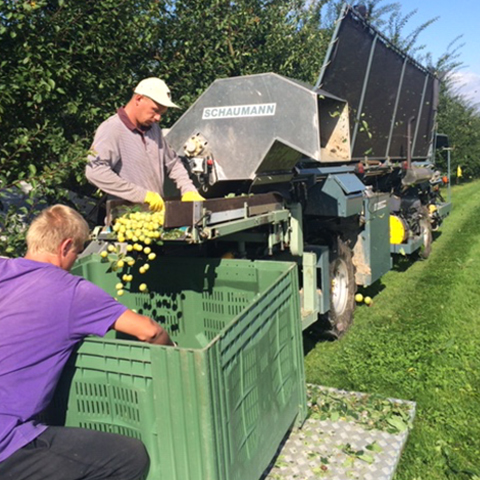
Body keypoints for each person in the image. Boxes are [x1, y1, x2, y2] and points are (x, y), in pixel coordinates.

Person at [0, 204, 174, 480]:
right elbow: (149, 331)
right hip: (6, 445)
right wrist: (173, 363)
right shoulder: (72, 291)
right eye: (78, 252)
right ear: (66, 246)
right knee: (129, 457)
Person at [85, 77, 204, 214]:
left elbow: (172, 163)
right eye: (155, 110)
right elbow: (95, 171)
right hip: (126, 223)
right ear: (139, 99)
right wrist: (142, 195)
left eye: (161, 113)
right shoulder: (112, 129)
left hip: (155, 219)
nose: (158, 118)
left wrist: (188, 189)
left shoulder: (154, 129)